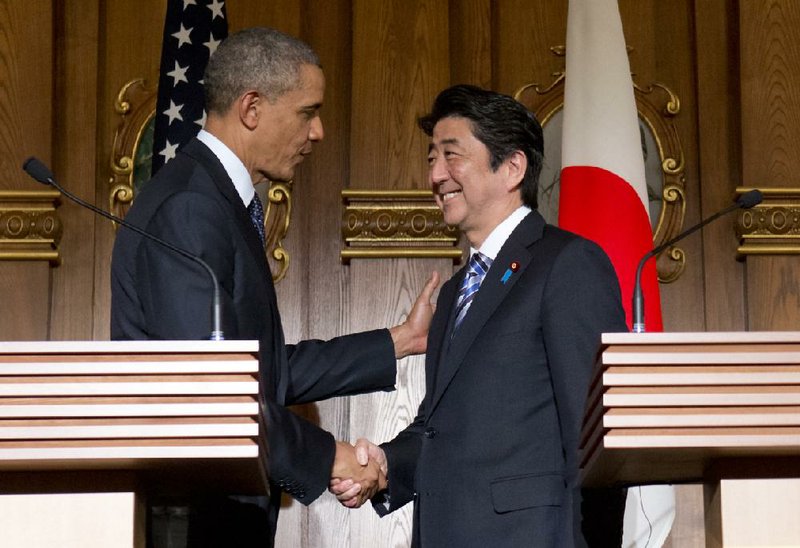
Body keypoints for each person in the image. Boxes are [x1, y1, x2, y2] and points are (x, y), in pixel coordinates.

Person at [110, 27, 438, 547]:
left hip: (218, 506)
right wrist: (329, 455)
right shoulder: (192, 208)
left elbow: (262, 371)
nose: (319, 132)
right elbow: (209, 390)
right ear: (252, 108)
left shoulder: (218, 201)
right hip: (193, 516)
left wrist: (401, 341)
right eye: (308, 112)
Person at [330, 84, 628, 547]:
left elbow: (598, 435)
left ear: (512, 167)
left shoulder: (567, 265)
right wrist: (388, 464)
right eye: (431, 158)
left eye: (453, 155)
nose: (437, 175)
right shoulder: (453, 294)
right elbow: (440, 423)